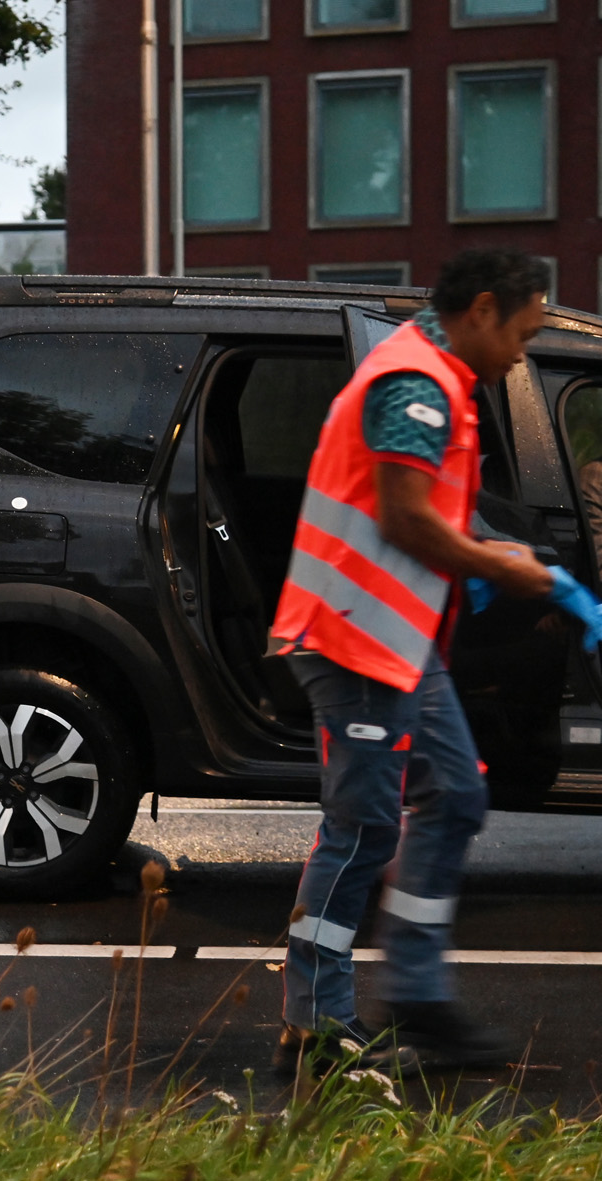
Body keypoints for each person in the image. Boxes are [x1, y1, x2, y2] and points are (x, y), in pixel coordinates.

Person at [269, 249, 554, 1073]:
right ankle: (316, 1022)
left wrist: (496, 546)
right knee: (363, 830)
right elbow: (403, 517)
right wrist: (501, 566)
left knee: (458, 795)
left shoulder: (434, 379)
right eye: (524, 334)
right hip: (355, 636)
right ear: (484, 310)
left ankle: (420, 997)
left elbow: (421, 507)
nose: (521, 354)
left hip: (395, 640)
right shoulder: (415, 385)